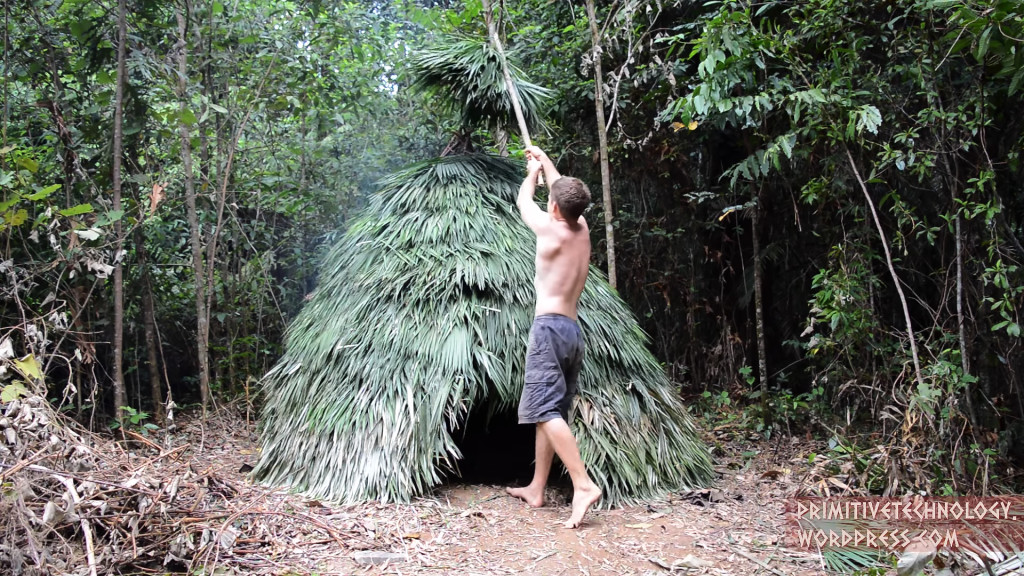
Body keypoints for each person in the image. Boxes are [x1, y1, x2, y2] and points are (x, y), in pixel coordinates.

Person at [506, 145, 602, 529]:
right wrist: (543, 159)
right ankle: (537, 487)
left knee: (541, 410)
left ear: (556, 208)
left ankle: (582, 484)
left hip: (547, 329)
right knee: (554, 411)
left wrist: (531, 174)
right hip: (573, 332)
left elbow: (523, 199)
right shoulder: (582, 230)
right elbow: (563, 192)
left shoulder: (549, 229)